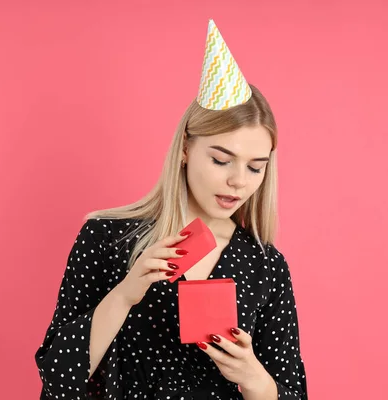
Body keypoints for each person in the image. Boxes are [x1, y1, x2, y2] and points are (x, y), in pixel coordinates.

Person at [35, 20, 309, 400]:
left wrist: (254, 378)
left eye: (255, 166)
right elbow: (57, 376)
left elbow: (292, 392)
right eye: (221, 160)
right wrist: (125, 294)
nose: (238, 182)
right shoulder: (107, 238)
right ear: (185, 148)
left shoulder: (265, 264)